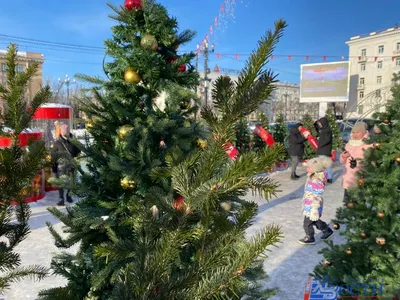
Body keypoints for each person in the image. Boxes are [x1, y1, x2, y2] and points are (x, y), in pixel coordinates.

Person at [298, 156, 334, 245]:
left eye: (309, 168)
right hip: (309, 202)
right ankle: (327, 230)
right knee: (315, 220)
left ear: (315, 169)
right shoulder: (313, 176)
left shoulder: (316, 180)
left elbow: (317, 195)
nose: (307, 169)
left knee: (307, 223)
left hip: (313, 204)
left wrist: (314, 208)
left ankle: (310, 237)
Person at [340, 122, 371, 201]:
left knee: (359, 207)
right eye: (353, 132)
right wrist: (343, 156)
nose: (355, 134)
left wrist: (358, 164)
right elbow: (342, 161)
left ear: (364, 133)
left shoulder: (368, 145)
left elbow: (371, 163)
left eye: (358, 132)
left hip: (360, 180)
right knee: (347, 205)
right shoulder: (349, 144)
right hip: (348, 179)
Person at [51, 124, 80, 206]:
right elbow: (52, 153)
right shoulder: (57, 142)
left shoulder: (73, 141)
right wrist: (55, 163)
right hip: (61, 166)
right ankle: (61, 198)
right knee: (61, 183)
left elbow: (78, 150)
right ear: (61, 132)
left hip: (71, 165)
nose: (64, 133)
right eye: (63, 131)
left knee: (71, 182)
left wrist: (75, 157)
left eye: (66, 131)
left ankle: (68, 196)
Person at [316, 116, 333, 183]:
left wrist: (320, 144)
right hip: (325, 150)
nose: (319, 124)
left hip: (323, 150)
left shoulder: (326, 130)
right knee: (327, 164)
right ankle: (329, 178)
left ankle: (322, 178)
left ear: (323, 123)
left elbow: (326, 140)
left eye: (320, 123)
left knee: (321, 165)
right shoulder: (326, 129)